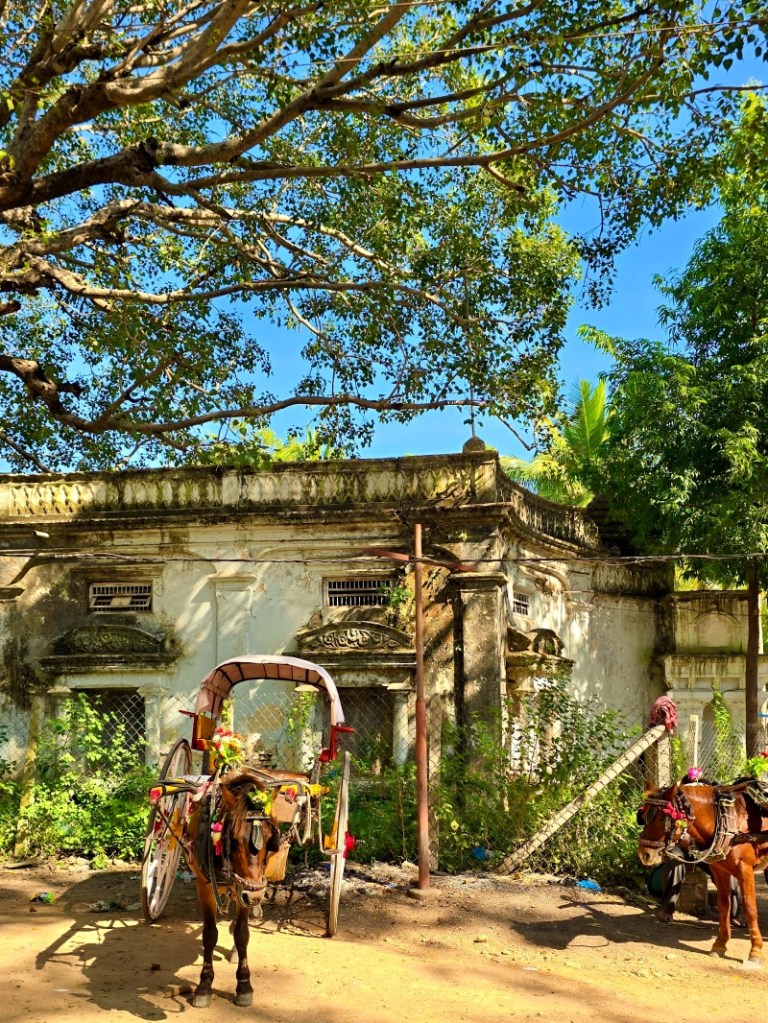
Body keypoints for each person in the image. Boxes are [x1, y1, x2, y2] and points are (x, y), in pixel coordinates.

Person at [650, 860, 742, 924]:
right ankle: (667, 909)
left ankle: (732, 914)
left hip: (706, 848)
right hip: (681, 847)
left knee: (725, 868)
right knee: (675, 864)